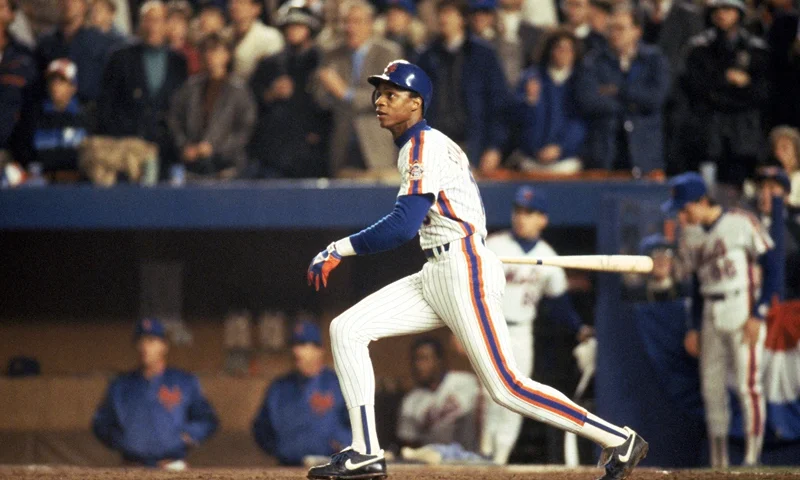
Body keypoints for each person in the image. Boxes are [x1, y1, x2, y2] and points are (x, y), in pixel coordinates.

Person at [304, 59, 648, 480]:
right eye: (378, 93)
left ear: (416, 104)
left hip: (461, 267)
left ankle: (618, 438)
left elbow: (402, 225)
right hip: (438, 269)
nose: (379, 100)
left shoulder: (423, 145)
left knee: (507, 387)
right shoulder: (419, 146)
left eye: (391, 94)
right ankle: (366, 451)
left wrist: (340, 248)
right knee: (347, 329)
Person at [664, 172, 777, 467]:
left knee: (747, 385)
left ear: (703, 200)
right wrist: (694, 326)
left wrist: (759, 313)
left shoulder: (740, 221)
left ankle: (753, 460)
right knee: (711, 389)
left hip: (742, 306)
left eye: (686, 207)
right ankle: (719, 463)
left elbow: (771, 265)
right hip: (710, 311)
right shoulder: (691, 235)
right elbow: (694, 285)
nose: (683, 215)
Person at [482, 186, 595, 464]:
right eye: (519, 211)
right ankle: (480, 456)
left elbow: (558, 304)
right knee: (487, 395)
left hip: (521, 331)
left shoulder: (548, 255)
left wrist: (579, 328)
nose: (522, 218)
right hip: (489, 327)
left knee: (515, 395)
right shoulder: (494, 245)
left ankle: (498, 461)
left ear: (542, 219)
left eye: (530, 213)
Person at [92, 318, 219, 469]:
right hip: (132, 466)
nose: (145, 347)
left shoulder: (184, 382)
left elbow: (207, 419)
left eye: (151, 340)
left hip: (171, 466)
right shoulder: (120, 385)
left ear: (164, 346)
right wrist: (123, 440)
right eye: (141, 341)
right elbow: (101, 423)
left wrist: (187, 436)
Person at [682, 0, 770, 197]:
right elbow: (699, 89)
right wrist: (728, 81)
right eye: (718, 9)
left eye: (728, 9)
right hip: (710, 134)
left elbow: (762, 92)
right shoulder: (700, 48)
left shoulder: (756, 49)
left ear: (738, 13)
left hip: (743, 136)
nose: (722, 14)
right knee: (708, 191)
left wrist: (739, 88)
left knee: (741, 193)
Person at [575, 4, 670, 175]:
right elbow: (589, 101)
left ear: (637, 31)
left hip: (644, 153)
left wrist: (619, 91)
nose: (614, 34)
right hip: (605, 152)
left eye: (620, 28)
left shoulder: (654, 60)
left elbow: (656, 98)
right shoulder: (593, 62)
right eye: (610, 28)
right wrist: (633, 104)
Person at [416, 0, 509, 175]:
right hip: (435, 147)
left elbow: (498, 105)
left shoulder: (483, 55)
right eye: (441, 13)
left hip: (472, 145)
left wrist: (494, 147)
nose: (444, 18)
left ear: (462, 19)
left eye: (449, 13)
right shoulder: (427, 57)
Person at [311, 0, 401, 175]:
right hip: (344, 146)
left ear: (370, 24)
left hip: (378, 149)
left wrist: (345, 94)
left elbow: (390, 96)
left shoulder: (388, 53)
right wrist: (327, 91)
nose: (350, 27)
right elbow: (320, 97)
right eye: (345, 21)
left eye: (357, 21)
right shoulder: (332, 55)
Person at [97, 0, 188, 172]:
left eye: (158, 20)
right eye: (148, 20)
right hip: (127, 150)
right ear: (140, 23)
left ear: (167, 24)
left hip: (166, 150)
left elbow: (182, 107)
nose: (152, 26)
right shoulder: (120, 57)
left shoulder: (179, 62)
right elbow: (106, 105)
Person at [252, 320, 351, 466]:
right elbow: (260, 427)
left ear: (319, 350)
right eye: (294, 345)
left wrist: (342, 445)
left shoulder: (338, 384)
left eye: (304, 345)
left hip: (331, 468)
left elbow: (357, 424)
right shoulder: (279, 387)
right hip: (288, 467)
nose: (296, 351)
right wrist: (280, 450)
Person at [248, 0, 329, 178]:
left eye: (299, 26)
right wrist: (271, 94)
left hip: (311, 148)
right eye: (289, 26)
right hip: (275, 149)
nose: (293, 31)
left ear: (310, 29)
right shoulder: (270, 63)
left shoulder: (321, 61)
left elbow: (328, 105)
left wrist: (317, 133)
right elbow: (252, 98)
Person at [168, 32, 256, 179]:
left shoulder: (239, 90)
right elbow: (174, 119)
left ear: (227, 55)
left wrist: (214, 148)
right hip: (192, 167)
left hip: (227, 168)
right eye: (207, 50)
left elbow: (245, 129)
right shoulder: (190, 87)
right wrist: (184, 146)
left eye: (216, 50)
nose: (211, 56)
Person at [509, 30, 586, 174]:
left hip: (567, 161)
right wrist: (529, 101)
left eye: (569, 50)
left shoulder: (581, 81)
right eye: (559, 48)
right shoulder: (531, 79)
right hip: (531, 160)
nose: (564, 54)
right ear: (550, 50)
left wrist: (560, 148)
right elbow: (516, 118)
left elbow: (580, 122)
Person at [396, 337, 480, 451]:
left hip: (469, 456)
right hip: (433, 461)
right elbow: (408, 444)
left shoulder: (465, 382)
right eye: (415, 360)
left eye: (424, 359)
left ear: (439, 360)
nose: (418, 365)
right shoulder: (410, 401)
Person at [35, 0, 120, 104]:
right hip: (54, 114)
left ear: (84, 5)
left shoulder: (102, 42)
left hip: (91, 113)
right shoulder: (45, 43)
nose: (68, 3)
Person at [32, 58, 88, 178]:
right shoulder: (35, 115)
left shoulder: (86, 116)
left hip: (78, 183)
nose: (55, 86)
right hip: (43, 181)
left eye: (61, 81)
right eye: (52, 80)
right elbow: (28, 154)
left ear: (73, 86)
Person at [0, 0, 37, 161]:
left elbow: (31, 106)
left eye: (0, 7)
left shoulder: (24, 55)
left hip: (13, 152)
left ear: (12, 14)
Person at [225, 0, 283, 80]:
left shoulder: (270, 37)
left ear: (256, 8)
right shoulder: (224, 35)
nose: (234, 6)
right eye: (232, 2)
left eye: (241, 3)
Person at [166, 0, 201, 75]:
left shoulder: (193, 54)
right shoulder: (160, 51)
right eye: (170, 20)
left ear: (186, 25)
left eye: (179, 20)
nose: (173, 25)